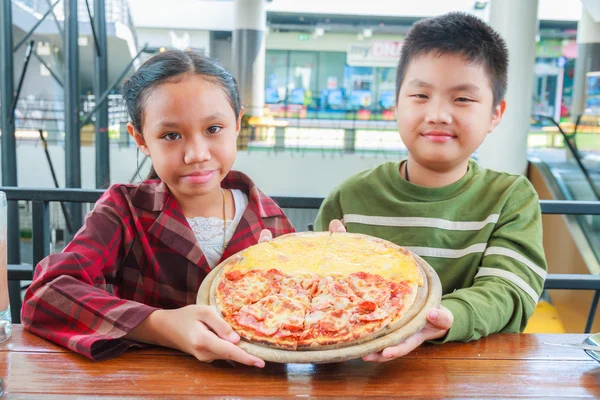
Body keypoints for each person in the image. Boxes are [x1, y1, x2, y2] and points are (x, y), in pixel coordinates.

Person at [22, 50, 295, 367]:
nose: (196, 154)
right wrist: (160, 325)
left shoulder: (271, 221)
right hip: (146, 386)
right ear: (140, 138)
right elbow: (46, 295)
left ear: (237, 123)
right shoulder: (124, 210)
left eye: (213, 129)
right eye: (171, 135)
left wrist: (336, 271)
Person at [315, 12, 547, 362]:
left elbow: (510, 292)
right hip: (361, 376)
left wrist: (439, 318)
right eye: (421, 95)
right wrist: (328, 267)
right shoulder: (349, 197)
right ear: (396, 104)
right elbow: (314, 293)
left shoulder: (511, 198)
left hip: (471, 375)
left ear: (495, 113)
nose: (438, 113)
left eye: (463, 99)